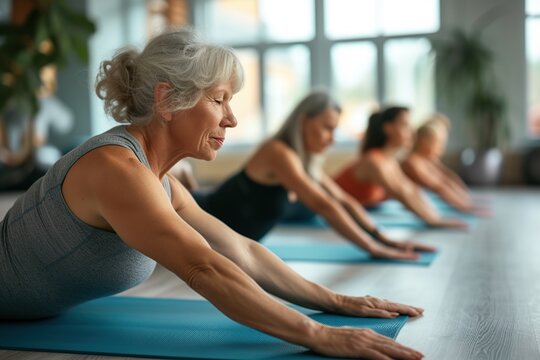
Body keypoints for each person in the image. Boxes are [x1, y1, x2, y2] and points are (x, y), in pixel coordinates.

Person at [0, 30, 424, 359]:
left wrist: (335, 301)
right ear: (168, 99)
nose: (232, 119)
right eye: (219, 100)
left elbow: (240, 249)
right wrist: (317, 335)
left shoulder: (160, 180)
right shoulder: (116, 169)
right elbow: (205, 269)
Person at [195, 91, 434, 258]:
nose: (332, 138)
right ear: (304, 121)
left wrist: (383, 238)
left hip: (226, 238)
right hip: (198, 218)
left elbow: (343, 200)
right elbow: (324, 206)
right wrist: (373, 248)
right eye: (327, 128)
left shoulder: (304, 160)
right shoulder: (278, 152)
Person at [334, 107, 466, 228]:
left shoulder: (390, 161)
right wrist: (433, 220)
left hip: (359, 211)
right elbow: (401, 193)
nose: (412, 132)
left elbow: (410, 190)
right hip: (326, 213)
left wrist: (437, 217)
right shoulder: (374, 161)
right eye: (405, 125)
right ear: (388, 128)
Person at [402, 114, 487, 215]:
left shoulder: (425, 160)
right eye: (438, 143)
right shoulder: (412, 161)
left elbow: (446, 178)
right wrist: (464, 206)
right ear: (424, 142)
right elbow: (438, 186)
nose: (441, 148)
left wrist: (466, 197)